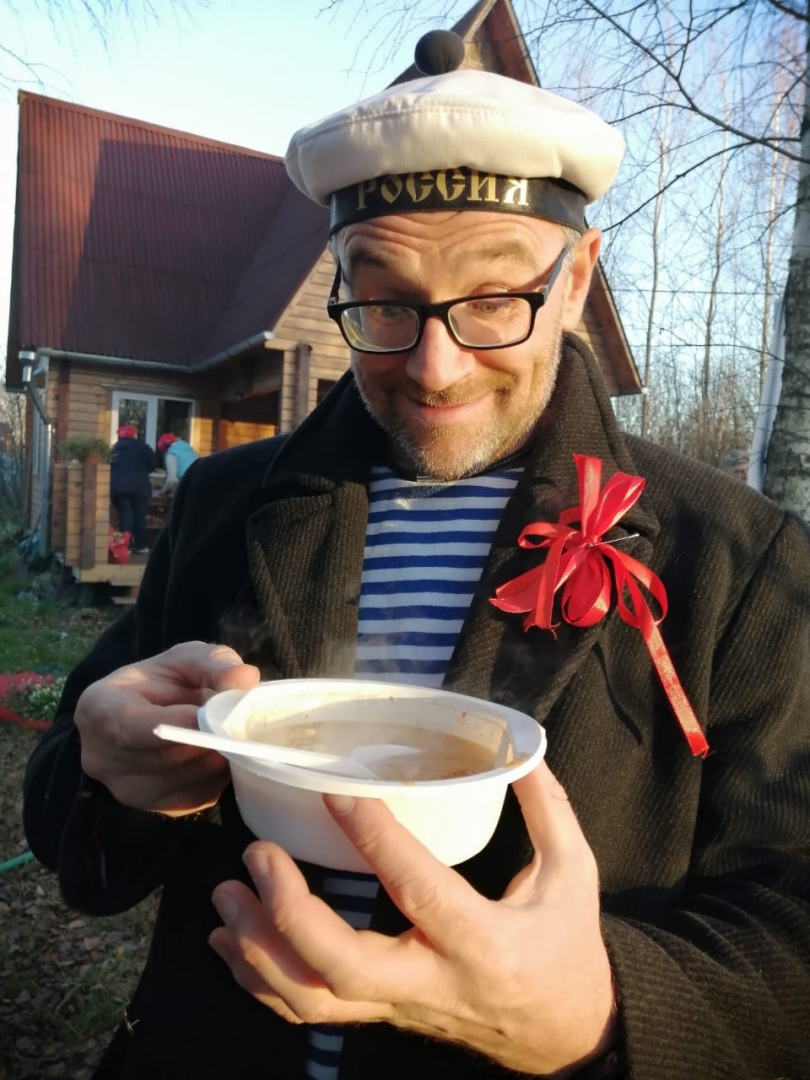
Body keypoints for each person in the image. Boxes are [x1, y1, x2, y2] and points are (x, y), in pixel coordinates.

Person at [22, 30, 810, 1080]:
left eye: (494, 300)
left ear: (577, 277)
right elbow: (68, 825)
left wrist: (603, 1011)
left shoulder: (742, 560)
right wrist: (115, 777)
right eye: (387, 302)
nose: (435, 368)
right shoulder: (225, 505)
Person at [109, 424, 158, 554]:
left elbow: (109, 466)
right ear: (134, 435)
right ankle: (142, 546)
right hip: (140, 486)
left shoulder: (114, 449)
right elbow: (153, 464)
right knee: (140, 516)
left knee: (125, 516)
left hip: (119, 487)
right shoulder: (144, 447)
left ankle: (126, 546)